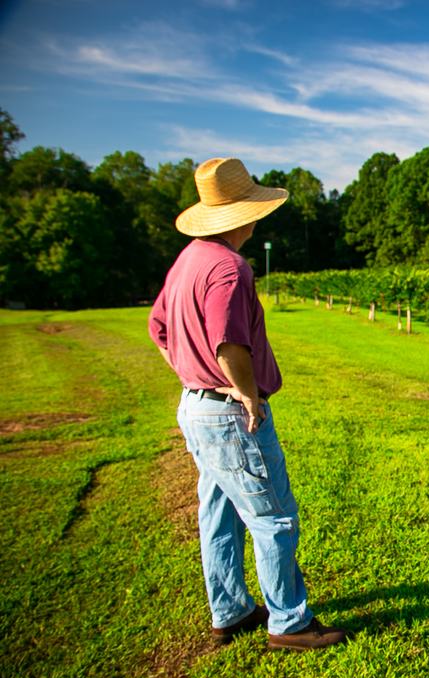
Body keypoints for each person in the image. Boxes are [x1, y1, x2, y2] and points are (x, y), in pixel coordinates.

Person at [148, 157, 346, 651]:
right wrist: (246, 392)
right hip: (228, 412)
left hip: (195, 406)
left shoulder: (188, 259)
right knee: (273, 516)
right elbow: (229, 344)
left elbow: (158, 328)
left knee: (218, 511)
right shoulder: (230, 268)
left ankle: (230, 611)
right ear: (246, 215)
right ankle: (290, 622)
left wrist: (190, 372)